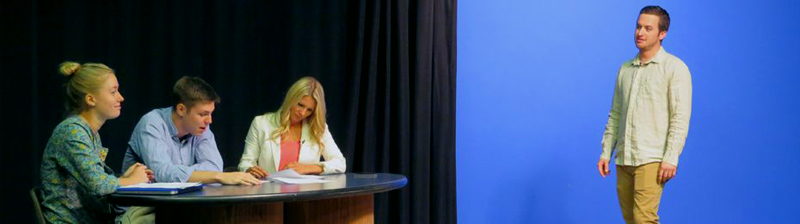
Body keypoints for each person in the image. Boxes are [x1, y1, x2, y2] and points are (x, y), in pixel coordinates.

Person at [597, 6, 692, 224]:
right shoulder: (625, 69)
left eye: (648, 28)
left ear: (662, 34)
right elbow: (616, 113)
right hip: (624, 157)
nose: (640, 32)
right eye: (638, 27)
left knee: (643, 220)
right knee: (631, 220)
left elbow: (680, 117)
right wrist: (606, 152)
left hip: (652, 158)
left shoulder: (674, 68)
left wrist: (670, 158)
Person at [40, 61, 155, 223]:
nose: (120, 98)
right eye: (113, 92)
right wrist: (131, 180)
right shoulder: (72, 132)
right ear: (91, 99)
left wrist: (123, 178)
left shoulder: (89, 132)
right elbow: (98, 185)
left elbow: (94, 178)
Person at [123, 76, 259, 185]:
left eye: (211, 114)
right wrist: (218, 177)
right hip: (142, 207)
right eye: (202, 114)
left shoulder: (201, 128)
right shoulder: (151, 124)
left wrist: (176, 172)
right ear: (181, 109)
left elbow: (214, 166)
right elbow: (162, 172)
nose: (209, 121)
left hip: (181, 204)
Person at [238, 77, 346, 178]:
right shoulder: (261, 123)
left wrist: (309, 168)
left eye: (309, 110)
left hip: (305, 195)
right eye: (300, 105)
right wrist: (249, 170)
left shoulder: (318, 128)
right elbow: (246, 162)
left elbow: (340, 163)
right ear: (291, 98)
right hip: (269, 193)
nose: (302, 113)